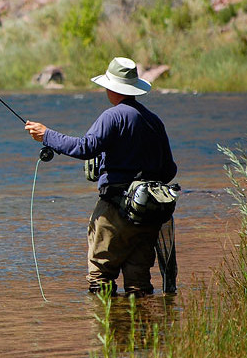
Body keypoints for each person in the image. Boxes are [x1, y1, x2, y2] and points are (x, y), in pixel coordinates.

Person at [25, 57, 177, 297]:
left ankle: (106, 330)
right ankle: (144, 331)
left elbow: (86, 147)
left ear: (112, 88)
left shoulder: (112, 116)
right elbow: (170, 171)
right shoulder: (154, 121)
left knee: (101, 277)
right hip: (149, 216)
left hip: (115, 211)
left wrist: (47, 135)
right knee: (139, 284)